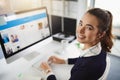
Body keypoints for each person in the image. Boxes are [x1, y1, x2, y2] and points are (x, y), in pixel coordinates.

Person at [40, 8, 114, 80]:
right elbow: (84, 58)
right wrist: (65, 61)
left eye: (89, 28)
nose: (80, 30)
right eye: (81, 23)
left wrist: (48, 72)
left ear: (100, 34)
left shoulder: (85, 69)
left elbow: (85, 64)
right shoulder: (99, 48)